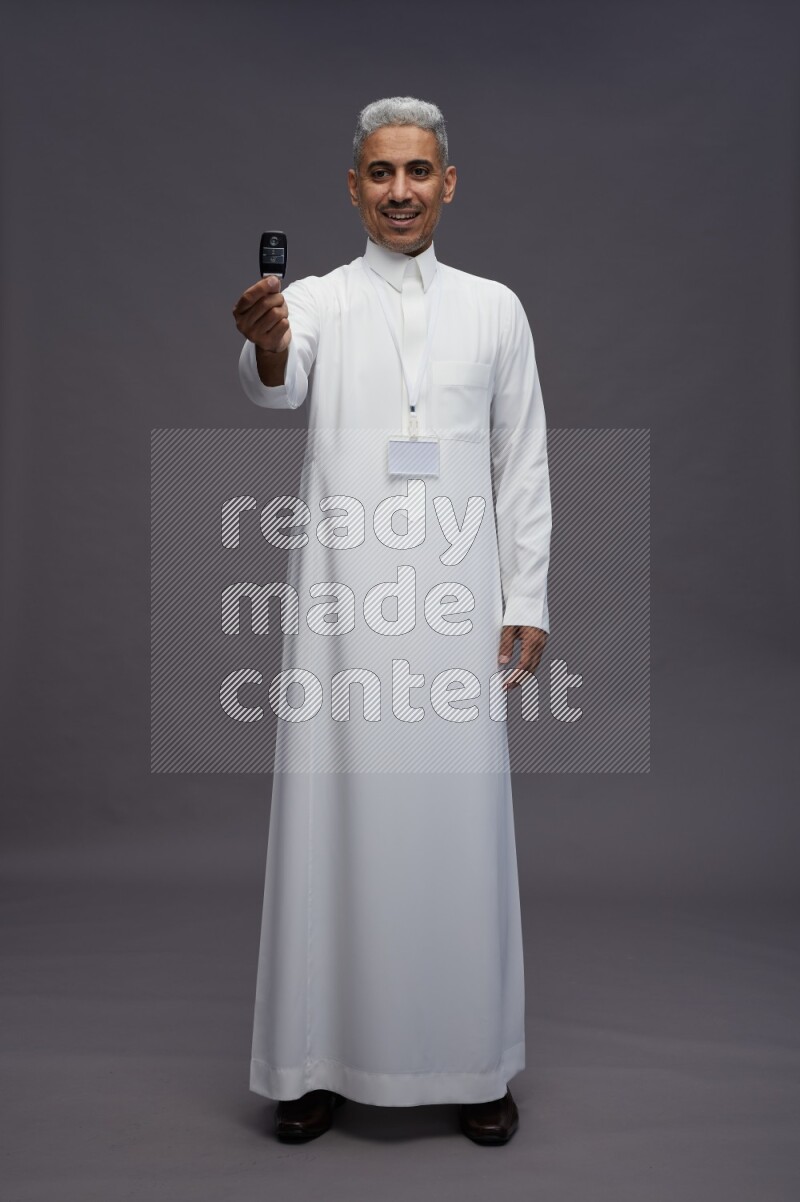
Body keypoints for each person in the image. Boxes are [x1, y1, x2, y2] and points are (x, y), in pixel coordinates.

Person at [231, 96, 551, 1146]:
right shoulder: (315, 300)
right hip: (343, 608)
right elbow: (277, 386)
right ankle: (314, 1060)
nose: (400, 190)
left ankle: (473, 1060)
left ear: (447, 183)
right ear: (354, 186)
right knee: (335, 825)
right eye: (380, 174)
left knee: (456, 831)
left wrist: (527, 595)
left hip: (456, 607)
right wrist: (269, 341)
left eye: (418, 172)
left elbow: (523, 461)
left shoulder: (495, 308)